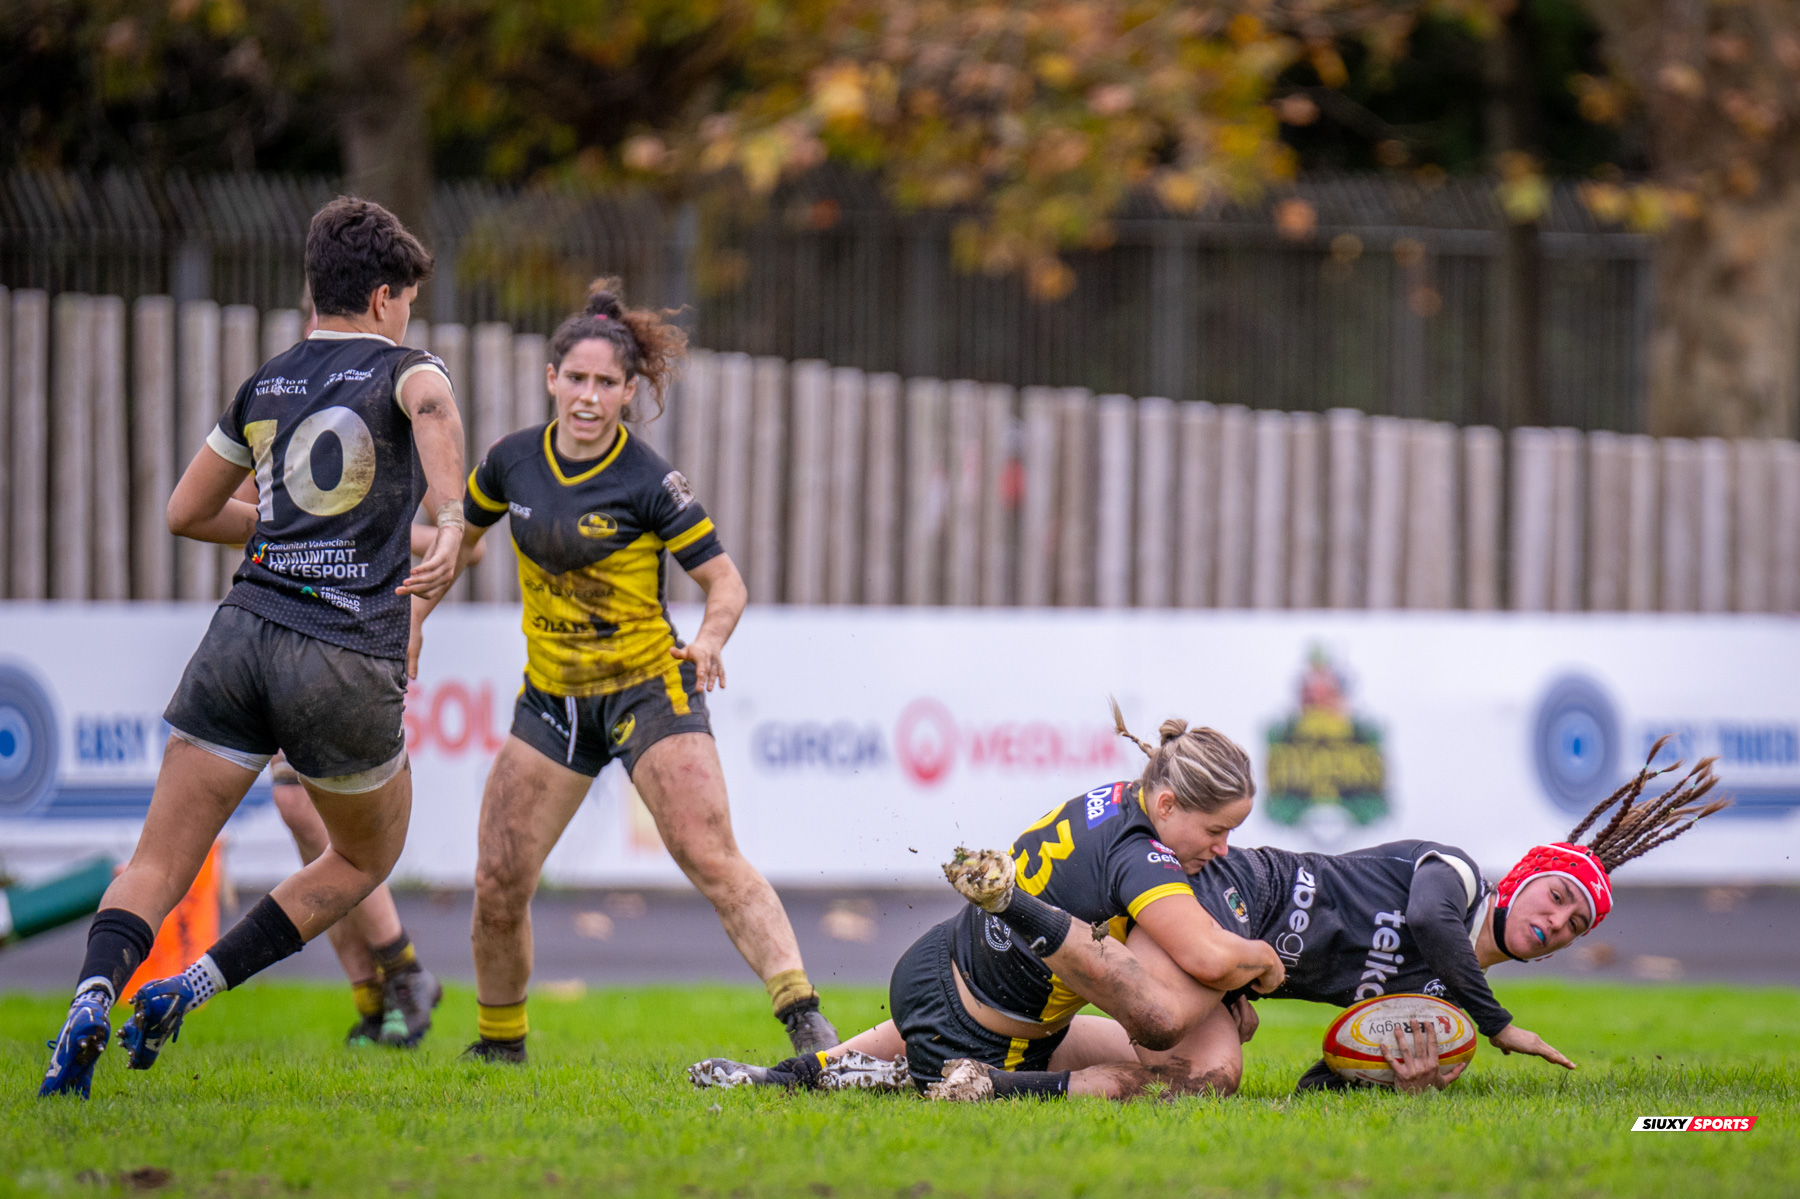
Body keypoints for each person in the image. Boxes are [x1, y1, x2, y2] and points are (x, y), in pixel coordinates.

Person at [39, 196, 467, 1099]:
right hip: (343, 655)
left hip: (238, 638)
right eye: (410, 304)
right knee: (359, 860)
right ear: (386, 297)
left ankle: (89, 998)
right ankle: (190, 985)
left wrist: (276, 535)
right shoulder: (407, 367)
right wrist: (452, 514)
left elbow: (184, 511)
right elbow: (427, 397)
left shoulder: (266, 383)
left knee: (156, 863)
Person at [434, 280, 837, 1065]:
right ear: (551, 377)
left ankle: (806, 1021)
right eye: (575, 379)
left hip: (650, 690)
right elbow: (460, 538)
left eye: (606, 383)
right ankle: (499, 1047)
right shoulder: (511, 462)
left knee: (710, 856)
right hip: (552, 700)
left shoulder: (650, 480)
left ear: (628, 391)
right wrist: (416, 609)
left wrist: (712, 638)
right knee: (497, 879)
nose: (588, 396)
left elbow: (726, 583)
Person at [928, 736, 1728, 1100]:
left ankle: (984, 1078)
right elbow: (1433, 923)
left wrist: (1388, 1081)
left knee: (1212, 1074)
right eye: (1557, 895)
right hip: (1244, 893)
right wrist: (1496, 1024)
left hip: (1236, 956)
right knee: (1171, 1015)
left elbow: (1318, 1080)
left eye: (1576, 923)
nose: (1559, 920)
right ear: (1522, 878)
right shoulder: (1452, 875)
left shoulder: (1438, 1004)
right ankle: (1020, 913)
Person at [693, 708, 1287, 1099]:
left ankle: (791, 1077)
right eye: (1216, 830)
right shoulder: (1141, 856)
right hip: (986, 1041)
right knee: (1169, 1076)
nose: (1223, 848)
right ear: (1167, 806)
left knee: (1090, 1025)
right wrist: (1262, 958)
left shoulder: (1114, 799)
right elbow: (1205, 958)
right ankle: (989, 1086)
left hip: (932, 970)